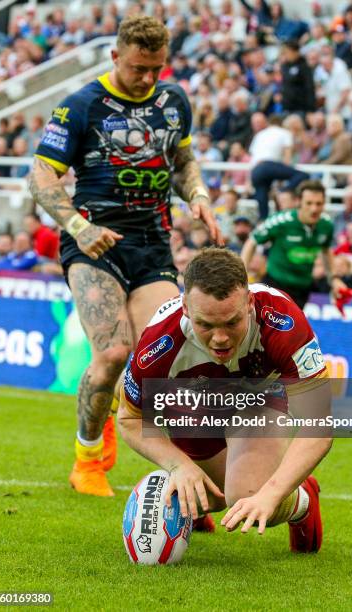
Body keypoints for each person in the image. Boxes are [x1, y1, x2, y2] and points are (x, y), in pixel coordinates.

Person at [29, 16, 223, 498]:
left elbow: (182, 162)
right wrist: (78, 225)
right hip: (94, 241)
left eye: (156, 68)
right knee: (113, 353)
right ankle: (88, 458)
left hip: (152, 243)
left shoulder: (173, 101)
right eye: (138, 68)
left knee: (169, 358)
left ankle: (188, 473)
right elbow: (40, 177)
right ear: (115, 57)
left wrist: (196, 193)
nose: (147, 78)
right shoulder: (80, 107)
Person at [118, 248, 332, 548]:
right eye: (205, 324)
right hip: (194, 404)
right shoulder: (161, 341)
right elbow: (128, 419)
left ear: (249, 303)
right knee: (207, 495)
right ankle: (196, 512)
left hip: (258, 399)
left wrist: (272, 493)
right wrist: (179, 464)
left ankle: (302, 501)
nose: (220, 337)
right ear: (186, 308)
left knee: (247, 496)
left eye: (232, 322)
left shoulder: (281, 320)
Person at [241, 180, 345, 309]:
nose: (314, 209)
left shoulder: (326, 225)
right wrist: (242, 277)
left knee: (292, 328)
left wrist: (334, 278)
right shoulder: (281, 221)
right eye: (309, 203)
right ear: (298, 202)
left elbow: (326, 250)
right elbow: (252, 241)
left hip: (303, 289)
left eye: (319, 204)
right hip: (275, 286)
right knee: (269, 328)